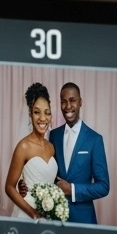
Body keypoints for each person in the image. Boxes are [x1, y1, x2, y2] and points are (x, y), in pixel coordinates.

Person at [22, 82, 109, 225]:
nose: (68, 106)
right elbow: (47, 171)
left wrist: (72, 190)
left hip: (83, 220)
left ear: (80, 102)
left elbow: (103, 186)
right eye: (64, 102)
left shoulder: (95, 140)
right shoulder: (54, 135)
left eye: (72, 101)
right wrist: (25, 185)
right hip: (55, 219)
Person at [5, 83, 58, 219]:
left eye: (47, 113)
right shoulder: (23, 146)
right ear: (30, 114)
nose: (42, 118)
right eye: (36, 112)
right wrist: (33, 213)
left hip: (48, 214)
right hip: (26, 213)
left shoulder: (51, 147)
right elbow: (9, 187)